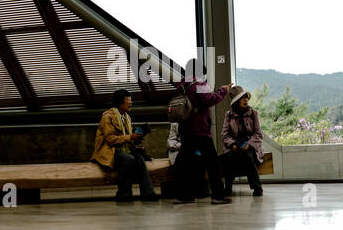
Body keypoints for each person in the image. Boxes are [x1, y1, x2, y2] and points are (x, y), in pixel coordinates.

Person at [173, 59, 231, 205]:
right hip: (199, 130)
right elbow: (210, 100)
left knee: (185, 163)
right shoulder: (199, 84)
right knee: (212, 163)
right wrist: (223, 90)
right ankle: (217, 195)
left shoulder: (181, 85)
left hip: (185, 130)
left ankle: (183, 196)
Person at [92, 89, 159, 202]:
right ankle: (123, 194)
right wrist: (130, 137)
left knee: (139, 159)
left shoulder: (127, 117)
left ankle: (148, 193)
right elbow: (110, 139)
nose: (131, 103)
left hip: (123, 150)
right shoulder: (107, 116)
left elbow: (126, 137)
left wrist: (136, 142)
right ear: (120, 103)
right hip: (109, 151)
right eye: (128, 101)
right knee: (129, 159)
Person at [220, 85, 264, 197]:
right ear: (236, 101)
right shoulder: (228, 115)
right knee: (229, 158)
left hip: (250, 145)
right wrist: (233, 144)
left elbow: (258, 134)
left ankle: (257, 188)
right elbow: (225, 134)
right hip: (234, 145)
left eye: (246, 97)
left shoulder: (253, 114)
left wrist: (249, 145)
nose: (245, 100)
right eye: (242, 98)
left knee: (248, 156)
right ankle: (228, 187)